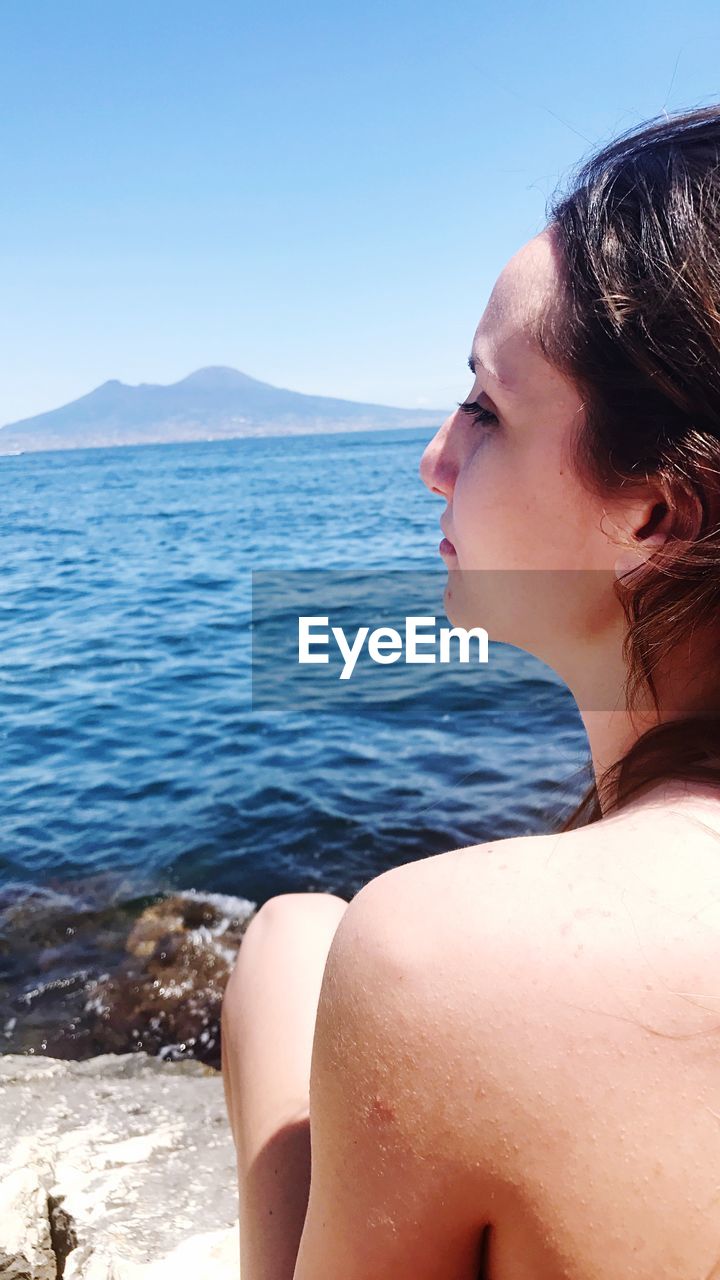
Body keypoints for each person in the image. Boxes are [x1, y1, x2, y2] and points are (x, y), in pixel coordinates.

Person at [221, 104, 720, 1279]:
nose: (436, 456)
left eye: (488, 407)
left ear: (653, 512)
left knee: (293, 942)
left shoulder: (449, 954)